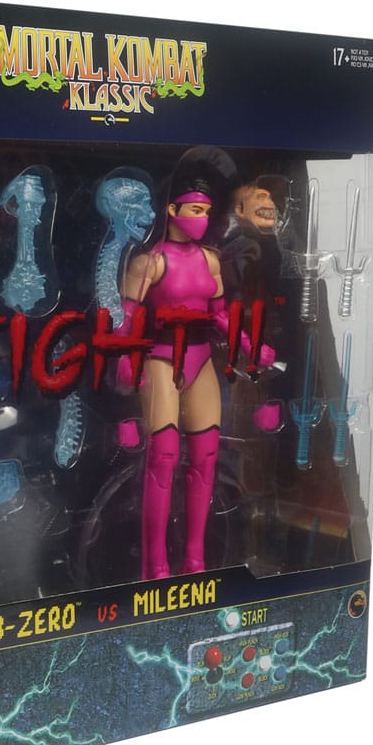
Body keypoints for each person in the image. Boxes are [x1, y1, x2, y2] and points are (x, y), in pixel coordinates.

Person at [119, 149, 273, 579]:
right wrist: (125, 360)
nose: (201, 219)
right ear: (172, 210)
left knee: (205, 457)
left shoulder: (210, 260)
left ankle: (195, 560)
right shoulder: (149, 262)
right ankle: (155, 566)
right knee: (164, 457)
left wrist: (249, 345)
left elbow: (220, 315)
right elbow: (127, 318)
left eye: (206, 212)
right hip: (160, 359)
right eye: (194, 210)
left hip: (201, 359)